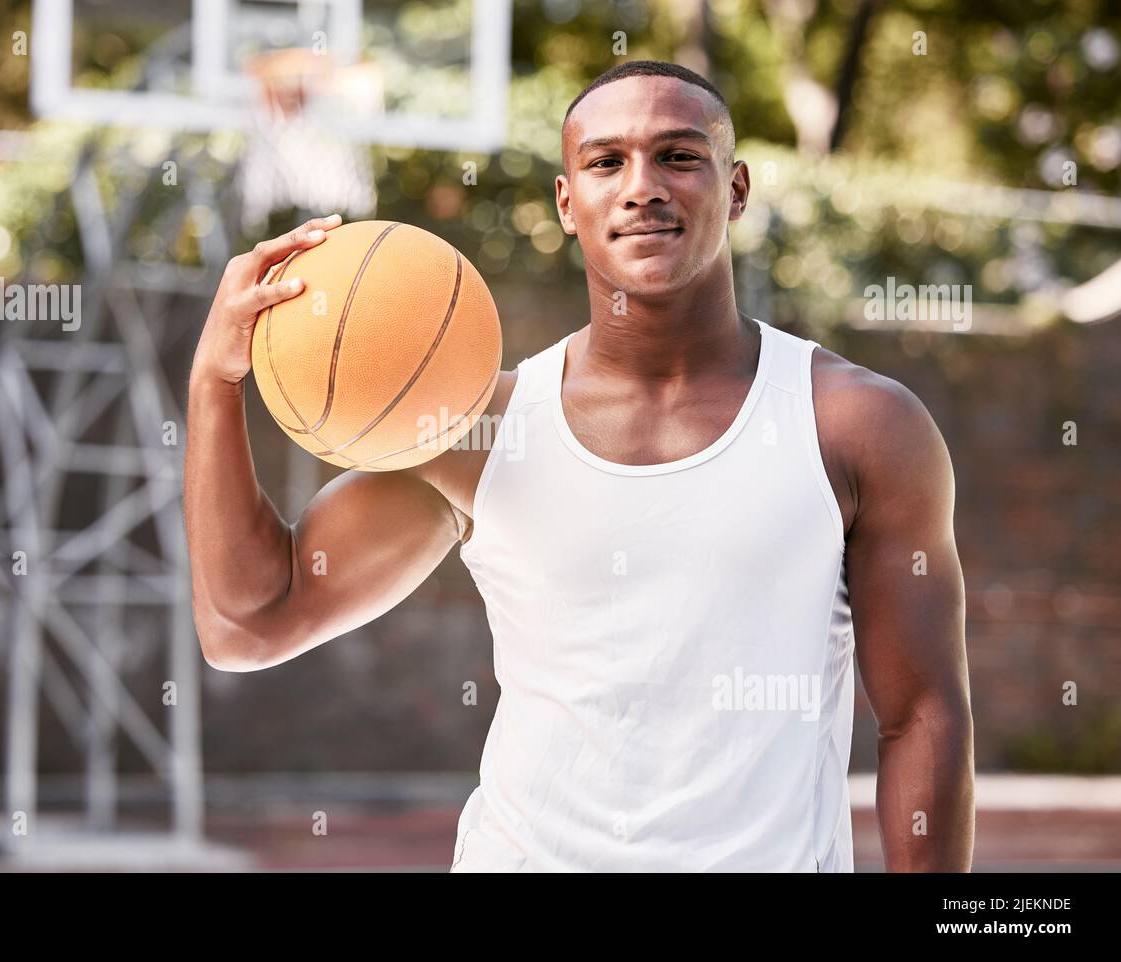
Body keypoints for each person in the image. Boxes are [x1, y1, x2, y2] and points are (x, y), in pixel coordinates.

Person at [183, 59, 975, 872]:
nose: (641, 187)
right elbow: (248, 624)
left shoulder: (856, 424)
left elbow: (920, 715)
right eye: (605, 162)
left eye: (678, 156)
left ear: (735, 189)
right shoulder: (478, 429)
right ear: (568, 203)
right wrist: (214, 383)